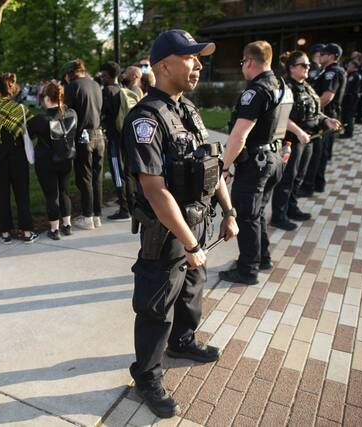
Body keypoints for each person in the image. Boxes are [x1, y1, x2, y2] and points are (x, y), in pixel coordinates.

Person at [123, 30, 238, 418]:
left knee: (192, 288)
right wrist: (190, 244)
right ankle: (146, 374)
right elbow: (155, 191)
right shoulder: (145, 119)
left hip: (198, 223)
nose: (199, 65)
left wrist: (229, 210)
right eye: (190, 57)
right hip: (168, 233)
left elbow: (212, 165)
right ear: (163, 65)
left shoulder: (186, 110)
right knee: (157, 305)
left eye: (199, 57)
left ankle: (183, 341)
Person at [219, 40, 300, 285]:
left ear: (250, 62)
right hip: (274, 160)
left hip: (256, 163)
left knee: (246, 215)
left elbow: (239, 135)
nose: (243, 67)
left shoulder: (256, 90)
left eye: (243, 62)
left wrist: (224, 166)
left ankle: (247, 269)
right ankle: (262, 258)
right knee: (257, 213)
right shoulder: (282, 86)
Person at [270, 51, 341, 231]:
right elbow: (281, 116)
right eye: (303, 65)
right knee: (287, 178)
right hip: (291, 141)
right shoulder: (285, 88)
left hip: (308, 139)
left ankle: (291, 208)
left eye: (308, 65)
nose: (308, 68)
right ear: (292, 67)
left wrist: (326, 120)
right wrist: (299, 131)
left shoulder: (306, 86)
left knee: (299, 177)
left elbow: (315, 111)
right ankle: (279, 216)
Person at [0, 72, 38, 244]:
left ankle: (5, 233)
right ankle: (27, 232)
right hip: (18, 156)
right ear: (12, 89)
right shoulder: (21, 110)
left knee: (1, 195)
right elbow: (32, 132)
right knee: (22, 194)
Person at [26, 81, 76, 240]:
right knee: (64, 191)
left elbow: (28, 135)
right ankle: (67, 225)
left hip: (46, 161)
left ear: (47, 98)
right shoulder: (72, 113)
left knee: (51, 195)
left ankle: (55, 229)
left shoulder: (39, 120)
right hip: (67, 158)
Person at [61, 59, 105, 230]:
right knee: (97, 177)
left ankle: (88, 216)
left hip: (83, 136)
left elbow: (65, 112)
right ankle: (97, 215)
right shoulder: (95, 84)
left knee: (85, 177)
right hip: (99, 134)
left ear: (69, 74)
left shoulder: (73, 87)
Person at [301, 43, 346, 196]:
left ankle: (310, 186)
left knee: (318, 154)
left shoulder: (331, 73)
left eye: (324, 54)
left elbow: (327, 97)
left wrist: (311, 110)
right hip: (327, 116)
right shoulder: (328, 71)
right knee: (321, 153)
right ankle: (318, 184)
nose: (320, 56)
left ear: (332, 56)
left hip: (325, 117)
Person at [100, 61, 135, 221]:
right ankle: (132, 204)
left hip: (114, 138)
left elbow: (106, 114)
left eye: (103, 74)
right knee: (127, 172)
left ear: (108, 75)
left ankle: (124, 208)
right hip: (125, 137)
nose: (101, 77)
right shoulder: (122, 89)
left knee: (117, 173)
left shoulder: (107, 91)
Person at [339, 59, 362, 139]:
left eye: (349, 65)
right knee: (347, 115)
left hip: (350, 99)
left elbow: (349, 88)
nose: (347, 67)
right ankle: (348, 131)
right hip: (350, 98)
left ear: (354, 66)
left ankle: (348, 133)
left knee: (348, 115)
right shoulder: (352, 74)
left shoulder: (353, 76)